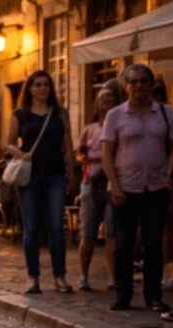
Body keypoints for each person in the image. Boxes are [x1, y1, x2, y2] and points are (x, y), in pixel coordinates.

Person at [102, 64, 173, 313]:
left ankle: (153, 295)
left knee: (153, 243)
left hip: (156, 186)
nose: (139, 86)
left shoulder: (165, 113)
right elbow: (107, 152)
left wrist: (168, 176)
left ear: (151, 84)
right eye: (133, 81)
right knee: (124, 244)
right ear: (126, 86)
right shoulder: (115, 115)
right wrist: (114, 183)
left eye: (144, 81)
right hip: (125, 186)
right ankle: (123, 295)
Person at [4, 70, 74, 294]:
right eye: (38, 85)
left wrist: (71, 172)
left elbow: (68, 145)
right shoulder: (20, 114)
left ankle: (59, 276)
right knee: (31, 228)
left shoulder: (60, 114)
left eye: (46, 85)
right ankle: (32, 277)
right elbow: (8, 143)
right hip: (30, 177)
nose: (42, 88)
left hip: (55, 175)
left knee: (56, 227)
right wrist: (20, 154)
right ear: (30, 88)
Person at [77, 81, 123, 292]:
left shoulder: (120, 126)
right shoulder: (90, 130)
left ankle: (113, 276)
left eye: (111, 99)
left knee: (112, 232)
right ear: (96, 104)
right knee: (88, 232)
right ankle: (83, 275)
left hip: (113, 182)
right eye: (103, 99)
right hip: (91, 183)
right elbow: (80, 154)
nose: (107, 102)